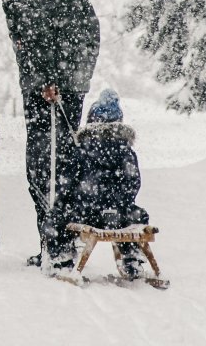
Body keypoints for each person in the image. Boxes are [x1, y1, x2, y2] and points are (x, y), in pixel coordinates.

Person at [0, 0, 100, 270]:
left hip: (46, 85)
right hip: (71, 79)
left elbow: (29, 29)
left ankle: (56, 246)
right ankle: (63, 239)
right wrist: (77, 77)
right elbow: (89, 24)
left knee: (43, 164)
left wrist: (47, 79)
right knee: (65, 158)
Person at [58, 88, 151, 280]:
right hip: (120, 216)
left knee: (57, 215)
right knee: (139, 215)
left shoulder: (82, 149)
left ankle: (61, 257)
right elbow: (133, 183)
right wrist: (118, 203)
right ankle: (131, 257)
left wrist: (73, 199)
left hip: (85, 213)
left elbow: (66, 183)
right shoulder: (125, 151)